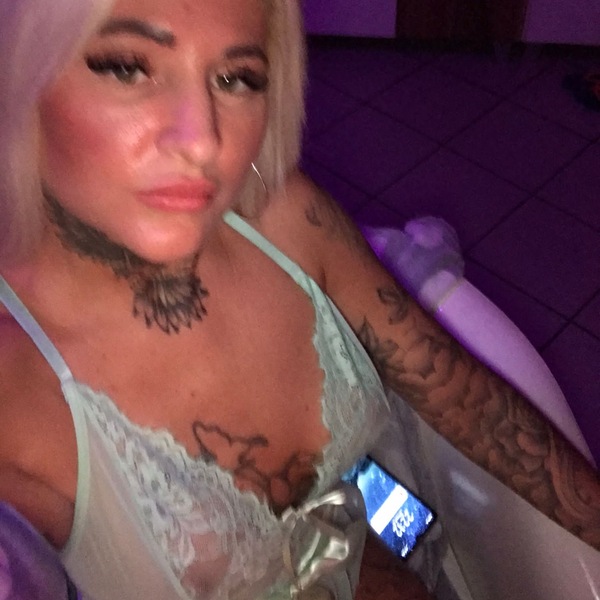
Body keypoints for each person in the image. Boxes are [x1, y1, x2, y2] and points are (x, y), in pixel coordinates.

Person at [0, 0, 597, 598]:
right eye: (128, 67)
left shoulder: (282, 216)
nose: (202, 140)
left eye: (236, 78)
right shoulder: (17, 391)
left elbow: (463, 397)